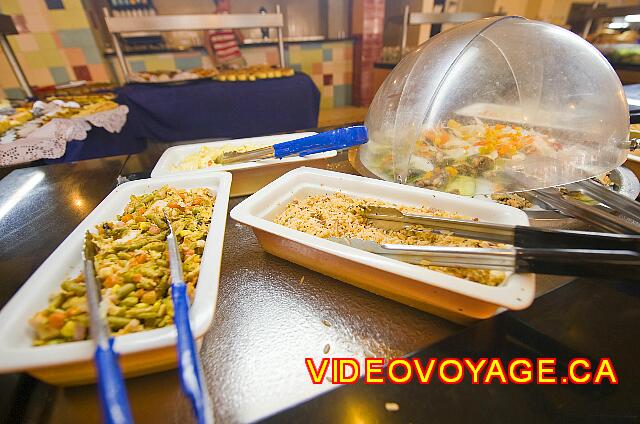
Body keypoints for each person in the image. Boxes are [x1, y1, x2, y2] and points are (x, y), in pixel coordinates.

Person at [205, 0, 247, 69]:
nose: (230, 4)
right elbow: (242, 39)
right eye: (228, 2)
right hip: (235, 59)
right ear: (220, 2)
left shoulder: (208, 20)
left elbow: (207, 44)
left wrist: (214, 62)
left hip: (220, 61)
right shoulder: (229, 18)